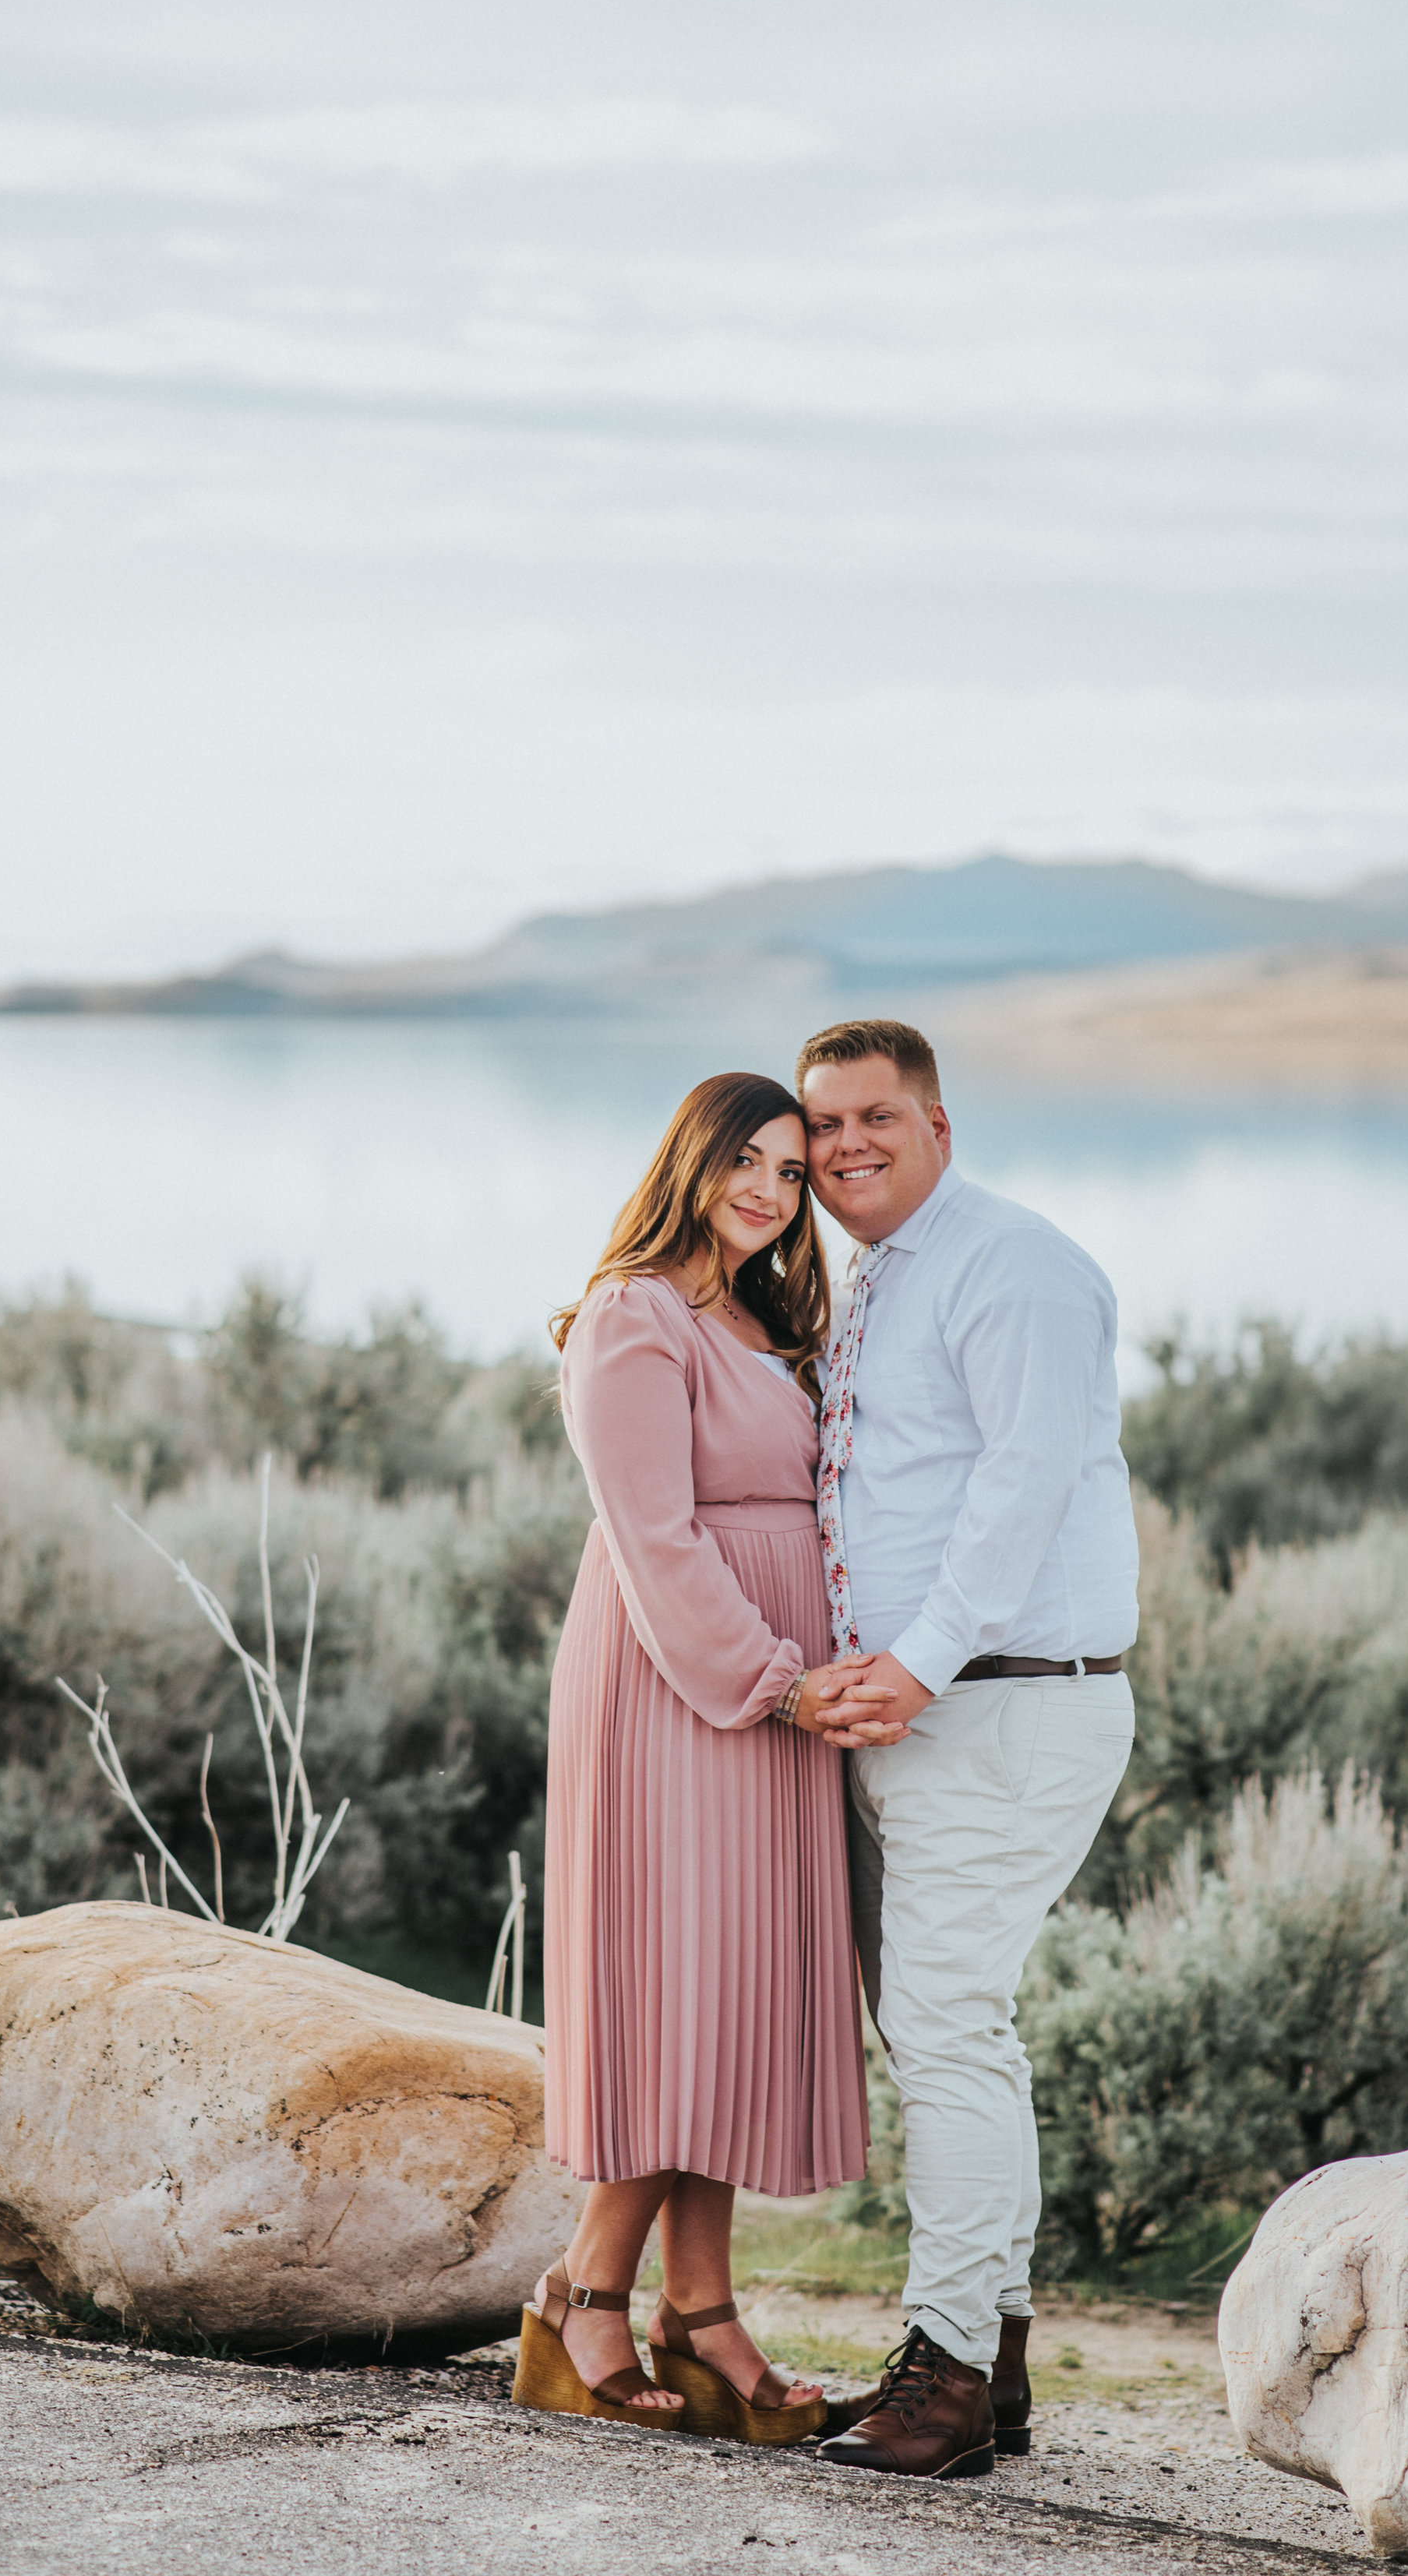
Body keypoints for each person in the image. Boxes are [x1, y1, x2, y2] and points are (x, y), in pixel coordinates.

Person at [515, 1070, 900, 2443]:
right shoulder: (631, 1316)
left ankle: (691, 2306)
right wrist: (778, 1683)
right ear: (691, 1157)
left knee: (728, 2001)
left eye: (793, 1173)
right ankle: (589, 2300)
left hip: (773, 1688)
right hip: (682, 1685)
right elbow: (655, 1539)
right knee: (688, 1997)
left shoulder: (758, 1315)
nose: (771, 1189)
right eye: (748, 1158)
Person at [799, 1019, 1141, 2483]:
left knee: (944, 2028)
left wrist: (917, 1666)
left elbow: (1024, 1480)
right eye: (821, 1124)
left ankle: (941, 2378)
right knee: (954, 2031)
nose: (844, 1145)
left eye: (876, 1115)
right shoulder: (884, 1276)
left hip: (1003, 1701)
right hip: (935, 1706)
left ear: (941, 1123)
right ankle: (983, 2364)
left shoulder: (1016, 1264)